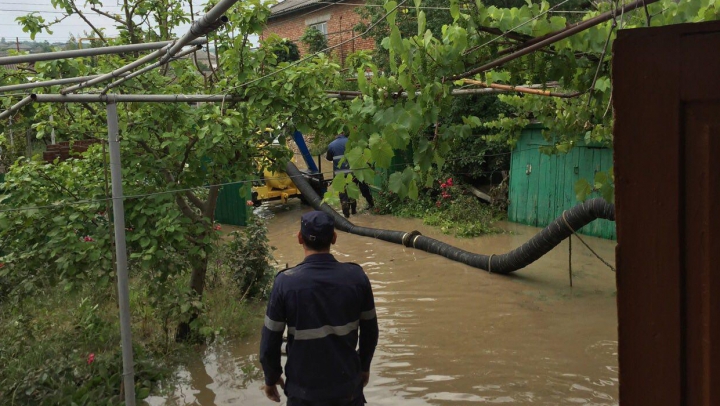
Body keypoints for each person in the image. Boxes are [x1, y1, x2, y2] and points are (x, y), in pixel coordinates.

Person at [260, 211, 379, 405]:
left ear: (300, 238)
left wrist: (271, 378)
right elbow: (370, 332)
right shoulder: (357, 278)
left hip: (303, 394)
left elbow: (269, 341)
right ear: (334, 238)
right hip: (348, 390)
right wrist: (364, 367)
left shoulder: (286, 283)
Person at [326, 133, 375, 218]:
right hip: (354, 172)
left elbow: (329, 158)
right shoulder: (352, 142)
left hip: (339, 174)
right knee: (352, 190)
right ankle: (354, 211)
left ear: (336, 135)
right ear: (344, 134)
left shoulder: (331, 145)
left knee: (343, 191)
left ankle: (346, 212)